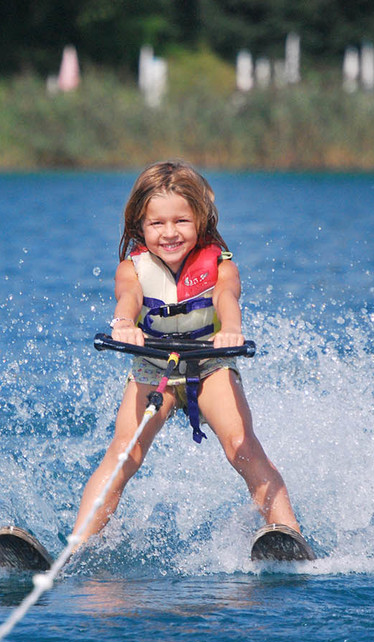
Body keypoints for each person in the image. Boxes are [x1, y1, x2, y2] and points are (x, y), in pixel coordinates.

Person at [71, 160, 303, 546]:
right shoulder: (131, 269)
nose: (169, 233)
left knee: (241, 447)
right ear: (139, 227)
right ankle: (76, 546)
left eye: (181, 221)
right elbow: (127, 299)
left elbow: (227, 298)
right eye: (157, 223)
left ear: (200, 220)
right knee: (123, 455)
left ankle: (290, 536)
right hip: (153, 369)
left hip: (209, 366)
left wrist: (230, 330)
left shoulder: (221, 266)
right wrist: (124, 324)